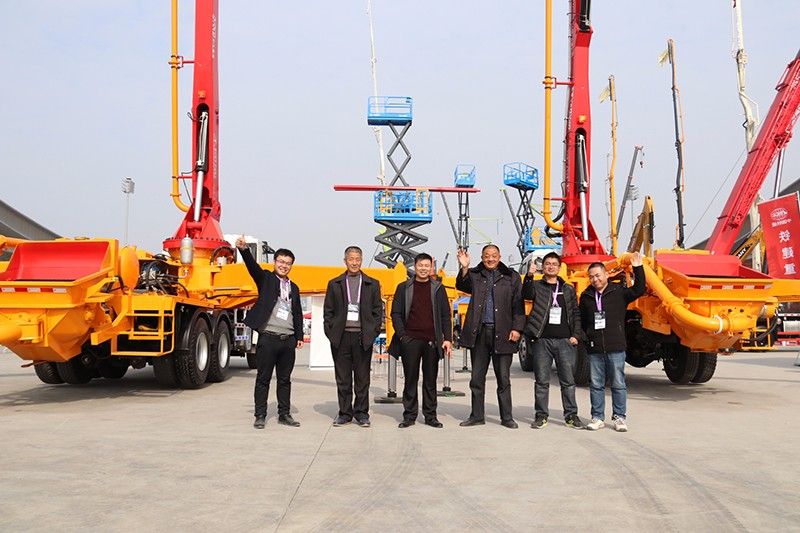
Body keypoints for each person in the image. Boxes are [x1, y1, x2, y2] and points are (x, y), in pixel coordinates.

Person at [236, 236, 304, 429]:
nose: (284, 266)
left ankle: (284, 414)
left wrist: (299, 336)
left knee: (285, 380)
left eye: (288, 263)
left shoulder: (294, 288)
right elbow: (253, 268)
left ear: (291, 266)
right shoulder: (266, 279)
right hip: (268, 338)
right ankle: (260, 415)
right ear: (274, 262)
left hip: (288, 340)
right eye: (281, 262)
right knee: (263, 379)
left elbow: (297, 312)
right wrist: (244, 250)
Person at [455, 245, 525, 429]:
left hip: (503, 333)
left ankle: (507, 417)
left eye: (494, 255)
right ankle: (477, 416)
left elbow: (518, 304)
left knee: (503, 378)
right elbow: (461, 285)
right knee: (477, 378)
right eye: (487, 256)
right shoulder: (475, 274)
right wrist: (464, 267)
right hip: (479, 333)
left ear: (499, 257)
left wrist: (517, 328)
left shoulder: (511, 276)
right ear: (482, 257)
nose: (490, 259)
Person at [579, 252, 645, 432]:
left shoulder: (618, 292)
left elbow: (639, 289)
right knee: (596, 385)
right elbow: (582, 320)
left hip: (616, 346)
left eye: (598, 275)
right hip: (595, 348)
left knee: (618, 384)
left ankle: (619, 417)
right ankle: (597, 417)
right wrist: (586, 338)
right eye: (591, 277)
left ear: (607, 274)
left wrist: (638, 268)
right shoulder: (586, 296)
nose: (595, 279)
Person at [388, 253, 452, 428]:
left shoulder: (438, 288)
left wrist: (448, 338)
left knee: (430, 381)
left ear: (431, 267)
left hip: (432, 341)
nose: (423, 268)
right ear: (415, 266)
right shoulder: (404, 287)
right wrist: (403, 336)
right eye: (420, 265)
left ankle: (430, 416)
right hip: (410, 340)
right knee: (410, 380)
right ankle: (409, 416)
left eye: (426, 265)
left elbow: (445, 315)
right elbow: (395, 313)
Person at [522, 252, 584, 430]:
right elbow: (526, 294)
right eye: (547, 264)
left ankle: (571, 416)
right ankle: (541, 416)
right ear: (543, 267)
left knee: (568, 382)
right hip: (542, 341)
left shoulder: (568, 288)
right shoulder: (537, 286)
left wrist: (576, 335)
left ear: (559, 267)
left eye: (554, 264)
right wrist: (529, 275)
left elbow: (575, 313)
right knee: (542, 382)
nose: (550, 266)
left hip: (565, 341)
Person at [323, 246, 383, 428]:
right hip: (341, 338)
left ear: (361, 260)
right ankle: (344, 413)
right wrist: (332, 333)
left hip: (362, 338)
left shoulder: (372, 284)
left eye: (357, 259)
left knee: (362, 379)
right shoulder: (335, 284)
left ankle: (362, 413)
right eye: (351, 259)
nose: (354, 262)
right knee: (343, 379)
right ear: (345, 261)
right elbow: (328, 312)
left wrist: (372, 333)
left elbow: (377, 312)